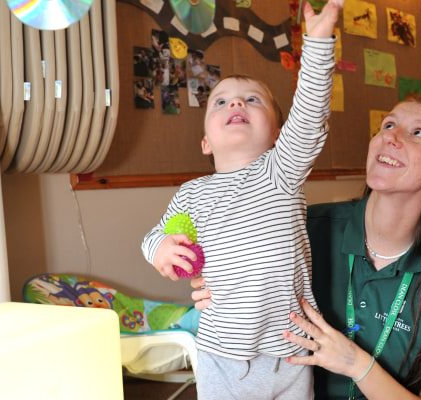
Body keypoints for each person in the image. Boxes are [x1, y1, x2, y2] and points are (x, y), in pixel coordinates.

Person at [193, 96, 421, 399]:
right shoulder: (303, 230)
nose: (390, 136)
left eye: (417, 132)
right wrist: (220, 286)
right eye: (388, 125)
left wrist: (355, 362)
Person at [141, 1, 343, 398]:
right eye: (221, 101)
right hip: (220, 353)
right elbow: (155, 236)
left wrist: (318, 43)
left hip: (290, 350)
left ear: (277, 134)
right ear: (205, 142)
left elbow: (310, 115)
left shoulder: (280, 171)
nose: (236, 103)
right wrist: (160, 247)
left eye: (253, 100)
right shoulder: (192, 194)